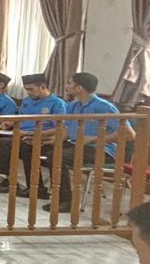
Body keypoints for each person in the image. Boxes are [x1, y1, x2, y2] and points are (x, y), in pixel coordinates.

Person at [41, 72, 135, 213]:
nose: (66, 86)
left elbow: (129, 135)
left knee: (57, 156)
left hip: (102, 150)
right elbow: (68, 130)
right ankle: (40, 190)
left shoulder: (104, 107)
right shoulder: (73, 106)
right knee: (38, 148)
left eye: (69, 83)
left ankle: (66, 201)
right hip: (78, 145)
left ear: (79, 88)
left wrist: (94, 139)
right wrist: (51, 141)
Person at [0, 73, 65, 197]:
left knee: (22, 145)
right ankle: (10, 179)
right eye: (26, 89)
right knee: (1, 142)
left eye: (31, 89)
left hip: (43, 137)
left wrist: (31, 133)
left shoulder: (57, 103)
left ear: (42, 87)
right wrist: (10, 123)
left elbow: (59, 128)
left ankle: (36, 187)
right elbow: (22, 118)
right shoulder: (27, 101)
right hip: (22, 133)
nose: (28, 92)